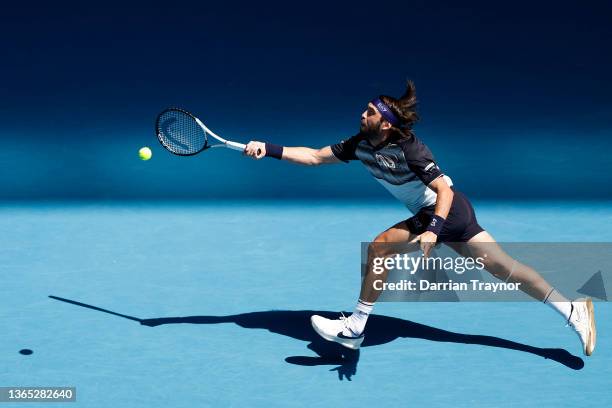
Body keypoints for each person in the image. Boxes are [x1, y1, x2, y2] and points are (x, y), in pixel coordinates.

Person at [243, 81, 596, 356]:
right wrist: (269, 149)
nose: (361, 115)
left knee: (380, 248)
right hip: (452, 213)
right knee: (505, 268)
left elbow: (443, 189)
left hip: (444, 213)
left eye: (369, 112)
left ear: (386, 122)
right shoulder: (359, 143)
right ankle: (572, 309)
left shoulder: (411, 149)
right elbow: (317, 157)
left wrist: (433, 230)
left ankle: (355, 328)